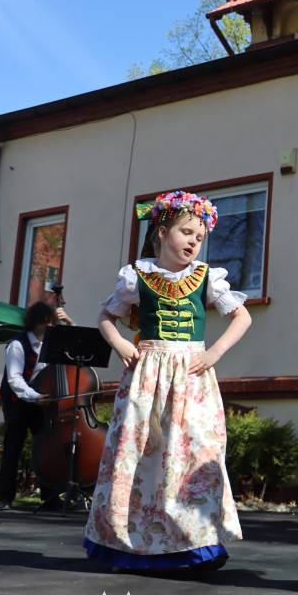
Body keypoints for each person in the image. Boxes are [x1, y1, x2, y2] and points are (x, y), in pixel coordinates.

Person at [83, 191, 251, 572]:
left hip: (192, 376)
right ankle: (127, 544)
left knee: (194, 455)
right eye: (187, 231)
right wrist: (122, 342)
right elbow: (106, 317)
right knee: (139, 455)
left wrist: (213, 353)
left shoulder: (206, 277)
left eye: (200, 236)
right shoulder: (136, 276)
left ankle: (198, 544)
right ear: (162, 231)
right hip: (147, 375)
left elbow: (242, 318)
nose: (194, 240)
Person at [0, 301, 74, 510]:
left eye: (52, 323)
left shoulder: (52, 341)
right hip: (18, 402)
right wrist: (34, 396)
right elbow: (14, 379)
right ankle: (5, 498)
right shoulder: (18, 344)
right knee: (13, 447)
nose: (50, 327)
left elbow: (75, 348)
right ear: (36, 323)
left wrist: (69, 322)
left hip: (41, 401)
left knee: (46, 447)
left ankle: (49, 497)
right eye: (47, 323)